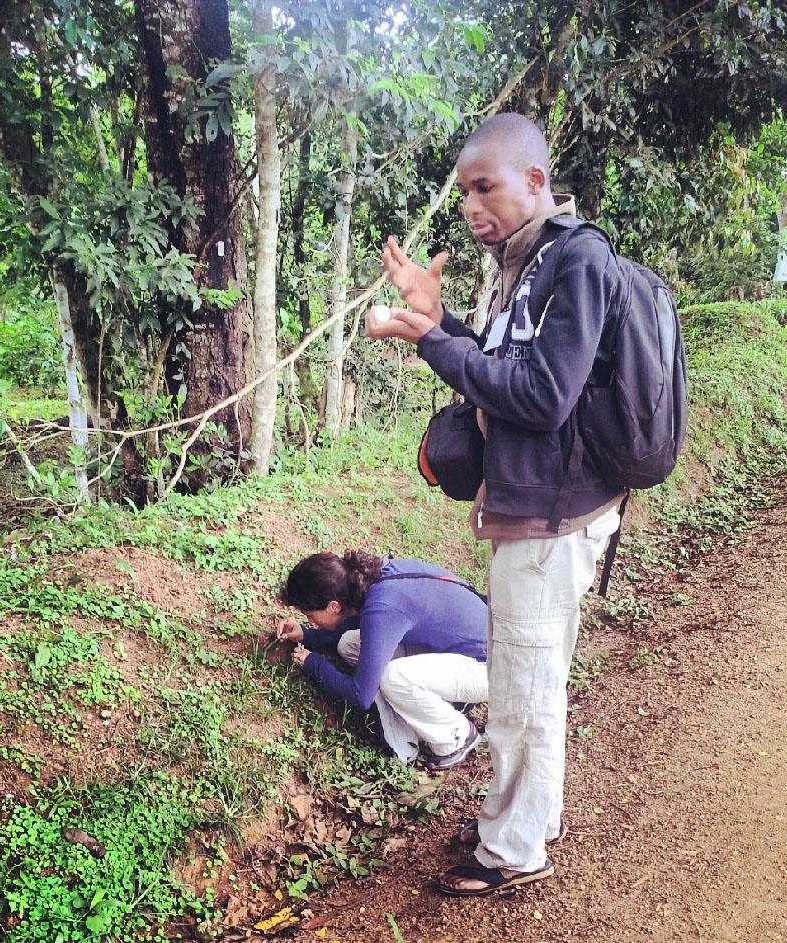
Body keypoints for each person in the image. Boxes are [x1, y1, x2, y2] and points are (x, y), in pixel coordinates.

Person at [366, 113, 626, 896]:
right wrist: (439, 318)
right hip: (535, 504)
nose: (472, 206)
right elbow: (501, 366)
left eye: (487, 187)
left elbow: (543, 397)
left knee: (520, 688)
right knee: (535, 677)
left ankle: (512, 848)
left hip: (551, 514)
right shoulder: (524, 263)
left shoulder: (572, 261)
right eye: (465, 193)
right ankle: (529, 818)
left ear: (536, 182)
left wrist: (430, 345)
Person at [277, 550, 488, 768]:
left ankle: (455, 738)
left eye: (311, 616)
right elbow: (361, 622)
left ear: (334, 606)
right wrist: (307, 635)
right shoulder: (371, 582)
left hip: (494, 668)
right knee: (349, 644)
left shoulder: (385, 606)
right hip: (467, 646)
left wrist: (314, 664)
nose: (310, 621)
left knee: (393, 678)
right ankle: (447, 701)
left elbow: (361, 694)